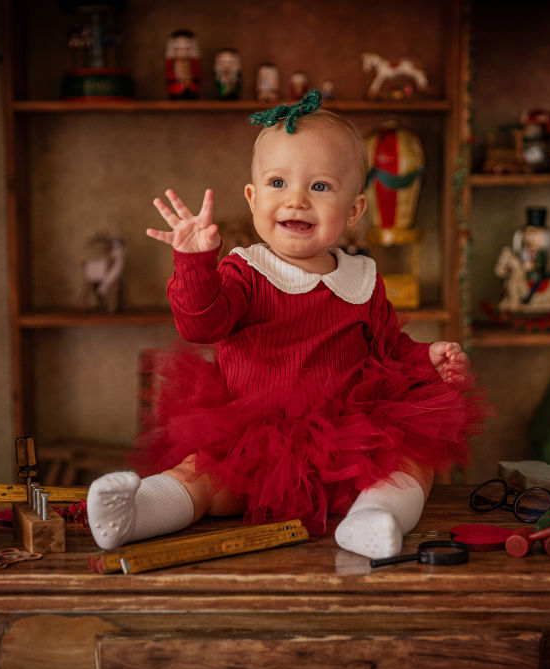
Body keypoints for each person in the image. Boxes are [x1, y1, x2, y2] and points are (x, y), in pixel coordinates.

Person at [86, 90, 485, 560]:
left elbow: (387, 349)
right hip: (254, 446)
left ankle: (373, 518)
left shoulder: (363, 279)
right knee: (204, 476)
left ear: (354, 210)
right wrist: (194, 263)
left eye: (320, 187)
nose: (296, 199)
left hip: (349, 446)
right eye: (278, 182)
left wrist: (426, 357)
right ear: (253, 198)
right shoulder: (245, 270)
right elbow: (201, 325)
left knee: (411, 462)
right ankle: (138, 513)